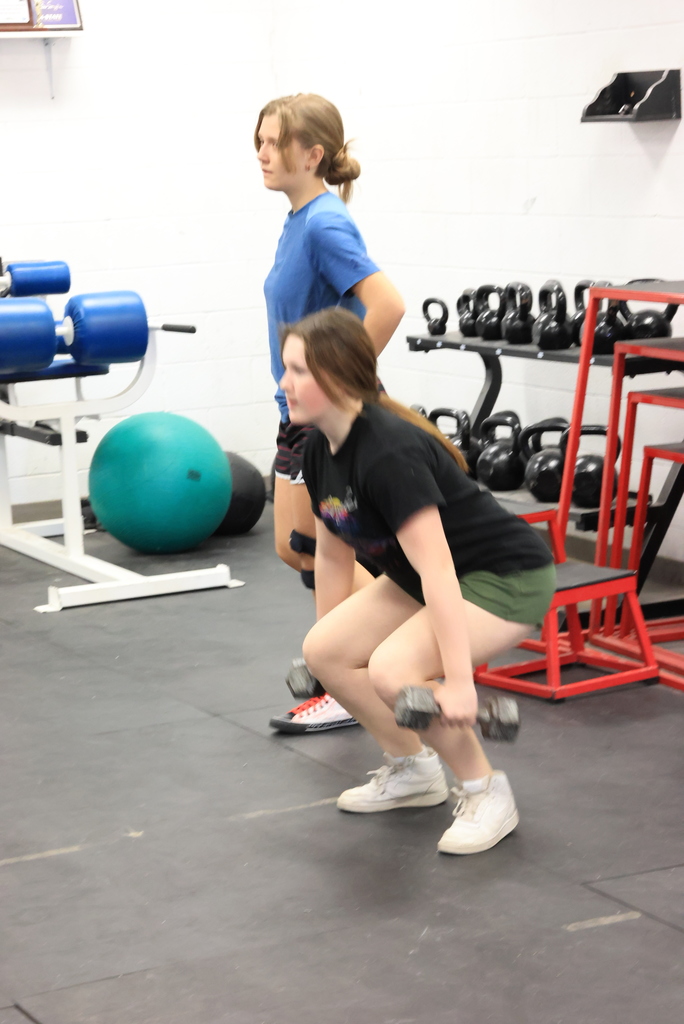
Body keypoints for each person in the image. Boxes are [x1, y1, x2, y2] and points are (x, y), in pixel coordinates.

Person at [280, 307, 556, 855]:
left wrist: (458, 683)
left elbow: (440, 573)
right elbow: (334, 557)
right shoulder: (318, 447)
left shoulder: (388, 451)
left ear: (335, 377)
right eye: (286, 368)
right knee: (324, 651)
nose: (284, 383)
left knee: (393, 669)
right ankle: (413, 769)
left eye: (298, 371)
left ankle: (485, 790)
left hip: (503, 576)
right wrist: (329, 665)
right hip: (429, 575)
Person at [255, 93, 405, 734]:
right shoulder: (298, 220)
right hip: (300, 411)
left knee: (330, 548)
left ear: (311, 153)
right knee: (302, 549)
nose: (261, 153)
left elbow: (389, 304)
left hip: (329, 414)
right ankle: (355, 659)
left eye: (273, 142)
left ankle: (358, 671)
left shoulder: (323, 223)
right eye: (257, 141)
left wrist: (335, 384)